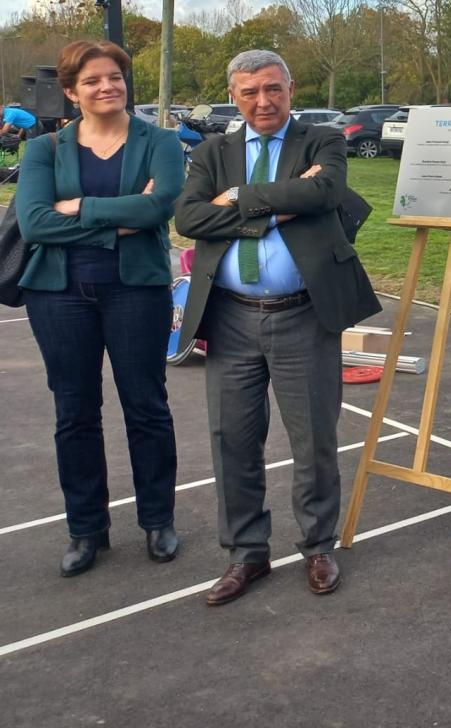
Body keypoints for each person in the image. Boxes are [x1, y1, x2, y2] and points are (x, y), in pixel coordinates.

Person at [175, 49, 380, 605]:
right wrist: (285, 203)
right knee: (232, 440)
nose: (263, 101)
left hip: (303, 314)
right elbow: (188, 217)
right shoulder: (213, 150)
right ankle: (248, 554)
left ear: (291, 88)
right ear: (234, 96)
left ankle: (317, 546)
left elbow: (326, 192)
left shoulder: (321, 141)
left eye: (273, 88)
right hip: (232, 317)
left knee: (313, 436)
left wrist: (240, 198)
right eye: (249, 92)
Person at [14, 40, 185, 576]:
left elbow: (162, 205)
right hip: (59, 296)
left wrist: (83, 208)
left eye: (114, 77)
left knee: (147, 406)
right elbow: (36, 222)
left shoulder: (159, 141)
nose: (107, 86)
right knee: (75, 413)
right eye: (91, 81)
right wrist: (122, 221)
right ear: (70, 92)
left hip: (137, 291)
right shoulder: (44, 149)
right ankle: (86, 529)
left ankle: (158, 519)